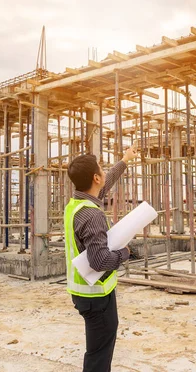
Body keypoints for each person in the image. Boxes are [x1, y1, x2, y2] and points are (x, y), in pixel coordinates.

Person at [64, 143, 139, 372]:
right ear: (96, 177)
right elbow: (100, 261)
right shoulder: (92, 215)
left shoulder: (77, 204)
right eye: (102, 169)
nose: (105, 172)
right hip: (96, 296)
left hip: (84, 293)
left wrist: (125, 160)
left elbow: (106, 184)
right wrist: (125, 253)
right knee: (98, 355)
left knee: (98, 350)